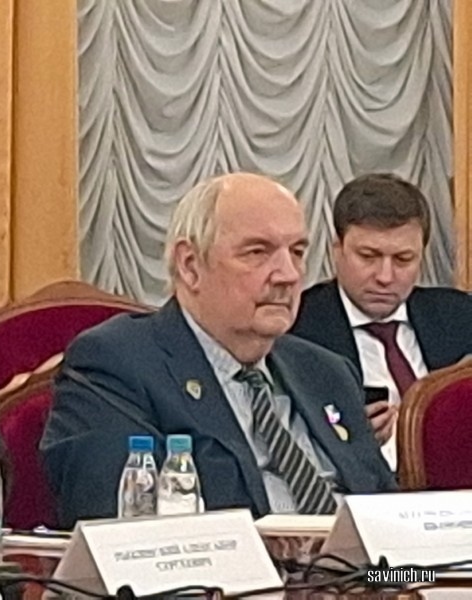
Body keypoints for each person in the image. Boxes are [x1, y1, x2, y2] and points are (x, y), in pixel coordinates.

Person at [41, 173, 396, 529]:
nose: (288, 275)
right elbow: (121, 527)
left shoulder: (325, 371)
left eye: (297, 252)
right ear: (190, 265)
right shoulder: (117, 363)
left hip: (359, 563)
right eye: (257, 252)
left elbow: (386, 510)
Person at [291, 173, 472, 468]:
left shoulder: (461, 317)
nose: (385, 277)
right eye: (368, 256)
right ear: (337, 250)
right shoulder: (296, 329)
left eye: (403, 259)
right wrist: (346, 444)